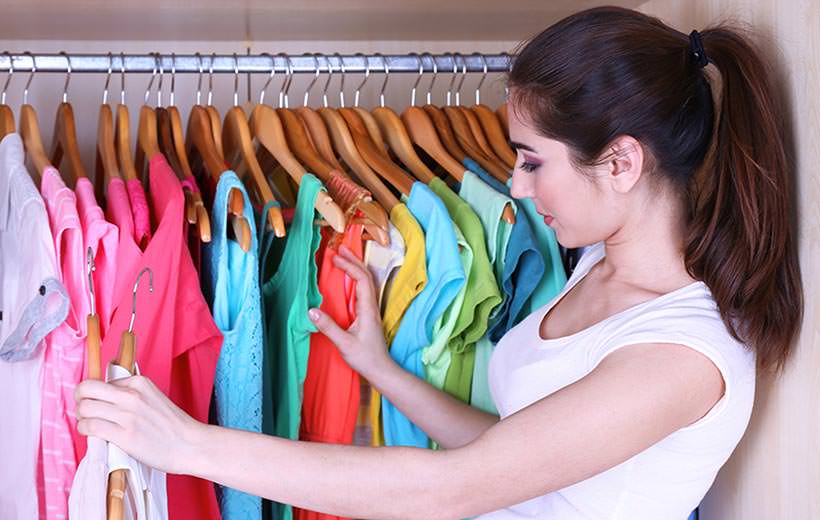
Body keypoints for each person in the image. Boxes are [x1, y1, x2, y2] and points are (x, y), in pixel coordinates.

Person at [74, 6, 803, 519]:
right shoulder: (600, 271)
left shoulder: (682, 355)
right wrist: (381, 368)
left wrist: (189, 445)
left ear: (620, 161)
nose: (513, 185)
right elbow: (516, 456)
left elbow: (452, 488)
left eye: (531, 161)